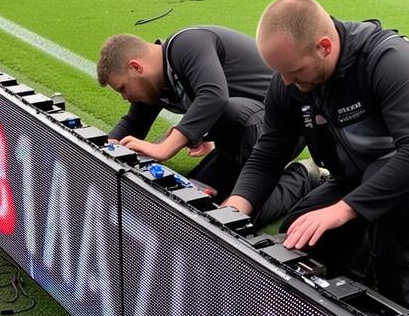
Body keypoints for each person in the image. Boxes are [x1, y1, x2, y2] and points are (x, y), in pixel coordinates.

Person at [222, 0, 409, 316]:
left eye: (295, 71)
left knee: (396, 231)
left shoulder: (387, 58)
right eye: (281, 73)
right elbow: (269, 152)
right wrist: (235, 208)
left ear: (325, 46)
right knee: (301, 239)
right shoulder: (288, 81)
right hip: (358, 172)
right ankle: (407, 235)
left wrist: (344, 209)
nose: (287, 82)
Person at [97, 27, 316, 226]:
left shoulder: (187, 44)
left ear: (136, 67)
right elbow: (134, 122)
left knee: (235, 220)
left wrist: (165, 147)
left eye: (123, 88)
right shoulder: (154, 84)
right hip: (236, 140)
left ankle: (303, 176)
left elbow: (213, 96)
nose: (125, 97)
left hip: (280, 129)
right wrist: (102, 151)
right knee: (196, 207)